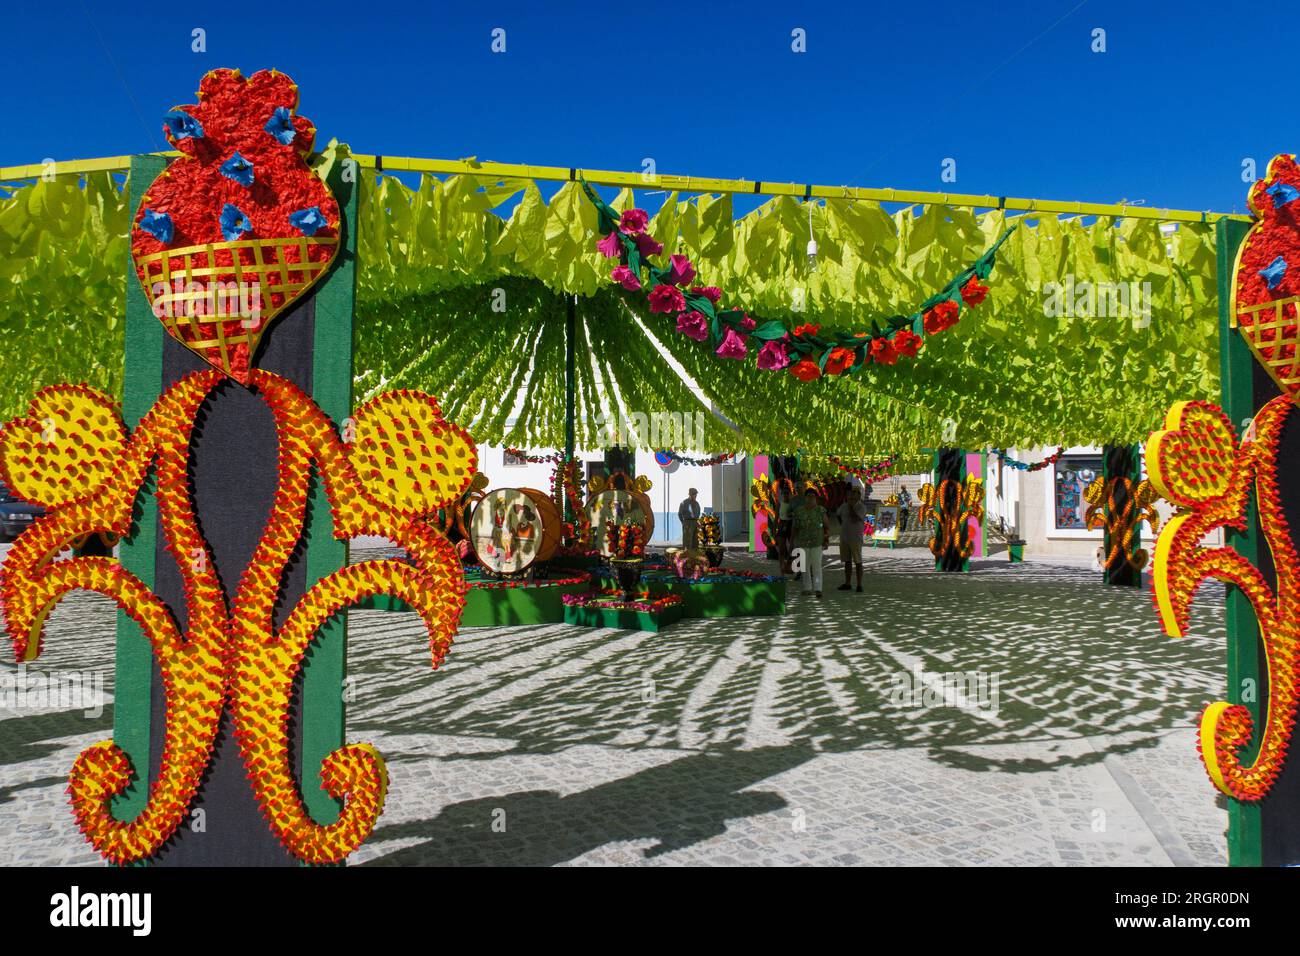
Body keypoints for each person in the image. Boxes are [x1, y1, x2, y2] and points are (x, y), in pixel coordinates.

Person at [790, 486, 830, 598]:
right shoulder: (798, 511)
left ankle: (818, 589)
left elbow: (826, 526)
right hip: (802, 542)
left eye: (813, 496)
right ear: (805, 497)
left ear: (816, 498)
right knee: (804, 566)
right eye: (808, 496)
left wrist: (826, 539)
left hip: (817, 542)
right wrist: (792, 542)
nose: (811, 498)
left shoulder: (820, 510)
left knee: (816, 566)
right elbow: (794, 528)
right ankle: (807, 588)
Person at [835, 487, 867, 592]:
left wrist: (850, 506)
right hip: (844, 537)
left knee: (858, 561)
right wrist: (842, 524)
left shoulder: (861, 507)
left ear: (859, 495)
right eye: (851, 493)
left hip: (856, 538)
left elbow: (855, 518)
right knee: (847, 561)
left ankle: (859, 584)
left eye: (855, 493)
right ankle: (847, 583)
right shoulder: (844, 506)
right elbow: (838, 514)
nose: (852, 495)